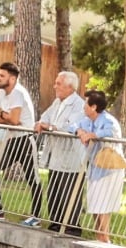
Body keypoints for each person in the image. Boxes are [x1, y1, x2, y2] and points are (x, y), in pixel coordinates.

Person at [36, 69, 90, 233]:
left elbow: (70, 127)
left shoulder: (79, 105)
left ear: (70, 87)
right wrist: (41, 123)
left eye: (58, 84)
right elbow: (45, 117)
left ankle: (71, 228)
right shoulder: (57, 102)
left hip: (72, 158)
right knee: (54, 192)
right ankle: (55, 224)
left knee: (69, 193)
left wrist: (50, 127)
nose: (54, 86)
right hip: (56, 156)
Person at [0, 61, 39, 216]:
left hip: (26, 140)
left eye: (2, 75)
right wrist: (6, 116)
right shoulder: (1, 91)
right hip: (12, 139)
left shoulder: (18, 93)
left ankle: (36, 217)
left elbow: (14, 120)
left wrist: (6, 116)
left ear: (12, 79)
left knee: (32, 179)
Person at [77, 91, 126, 244]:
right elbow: (73, 126)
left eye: (86, 104)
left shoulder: (108, 121)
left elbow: (108, 132)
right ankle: (99, 234)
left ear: (93, 107)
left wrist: (92, 134)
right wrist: (79, 131)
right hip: (95, 168)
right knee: (94, 202)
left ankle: (104, 237)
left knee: (103, 203)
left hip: (109, 169)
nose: (83, 107)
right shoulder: (87, 120)